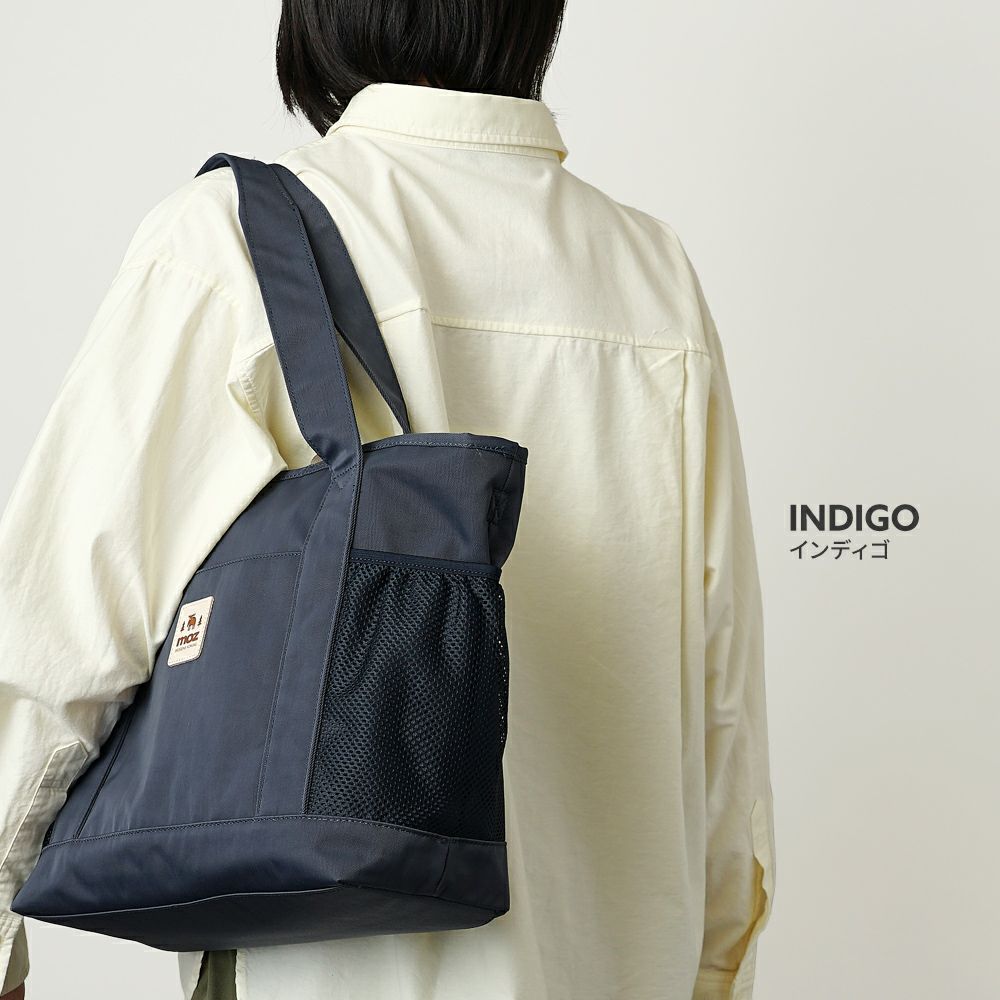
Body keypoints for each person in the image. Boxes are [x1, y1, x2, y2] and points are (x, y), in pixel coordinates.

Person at [0, 1, 776, 998]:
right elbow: (722, 699)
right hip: (614, 964)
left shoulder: (233, 237)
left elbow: (53, 640)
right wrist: (712, 970)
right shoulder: (651, 273)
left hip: (330, 967)